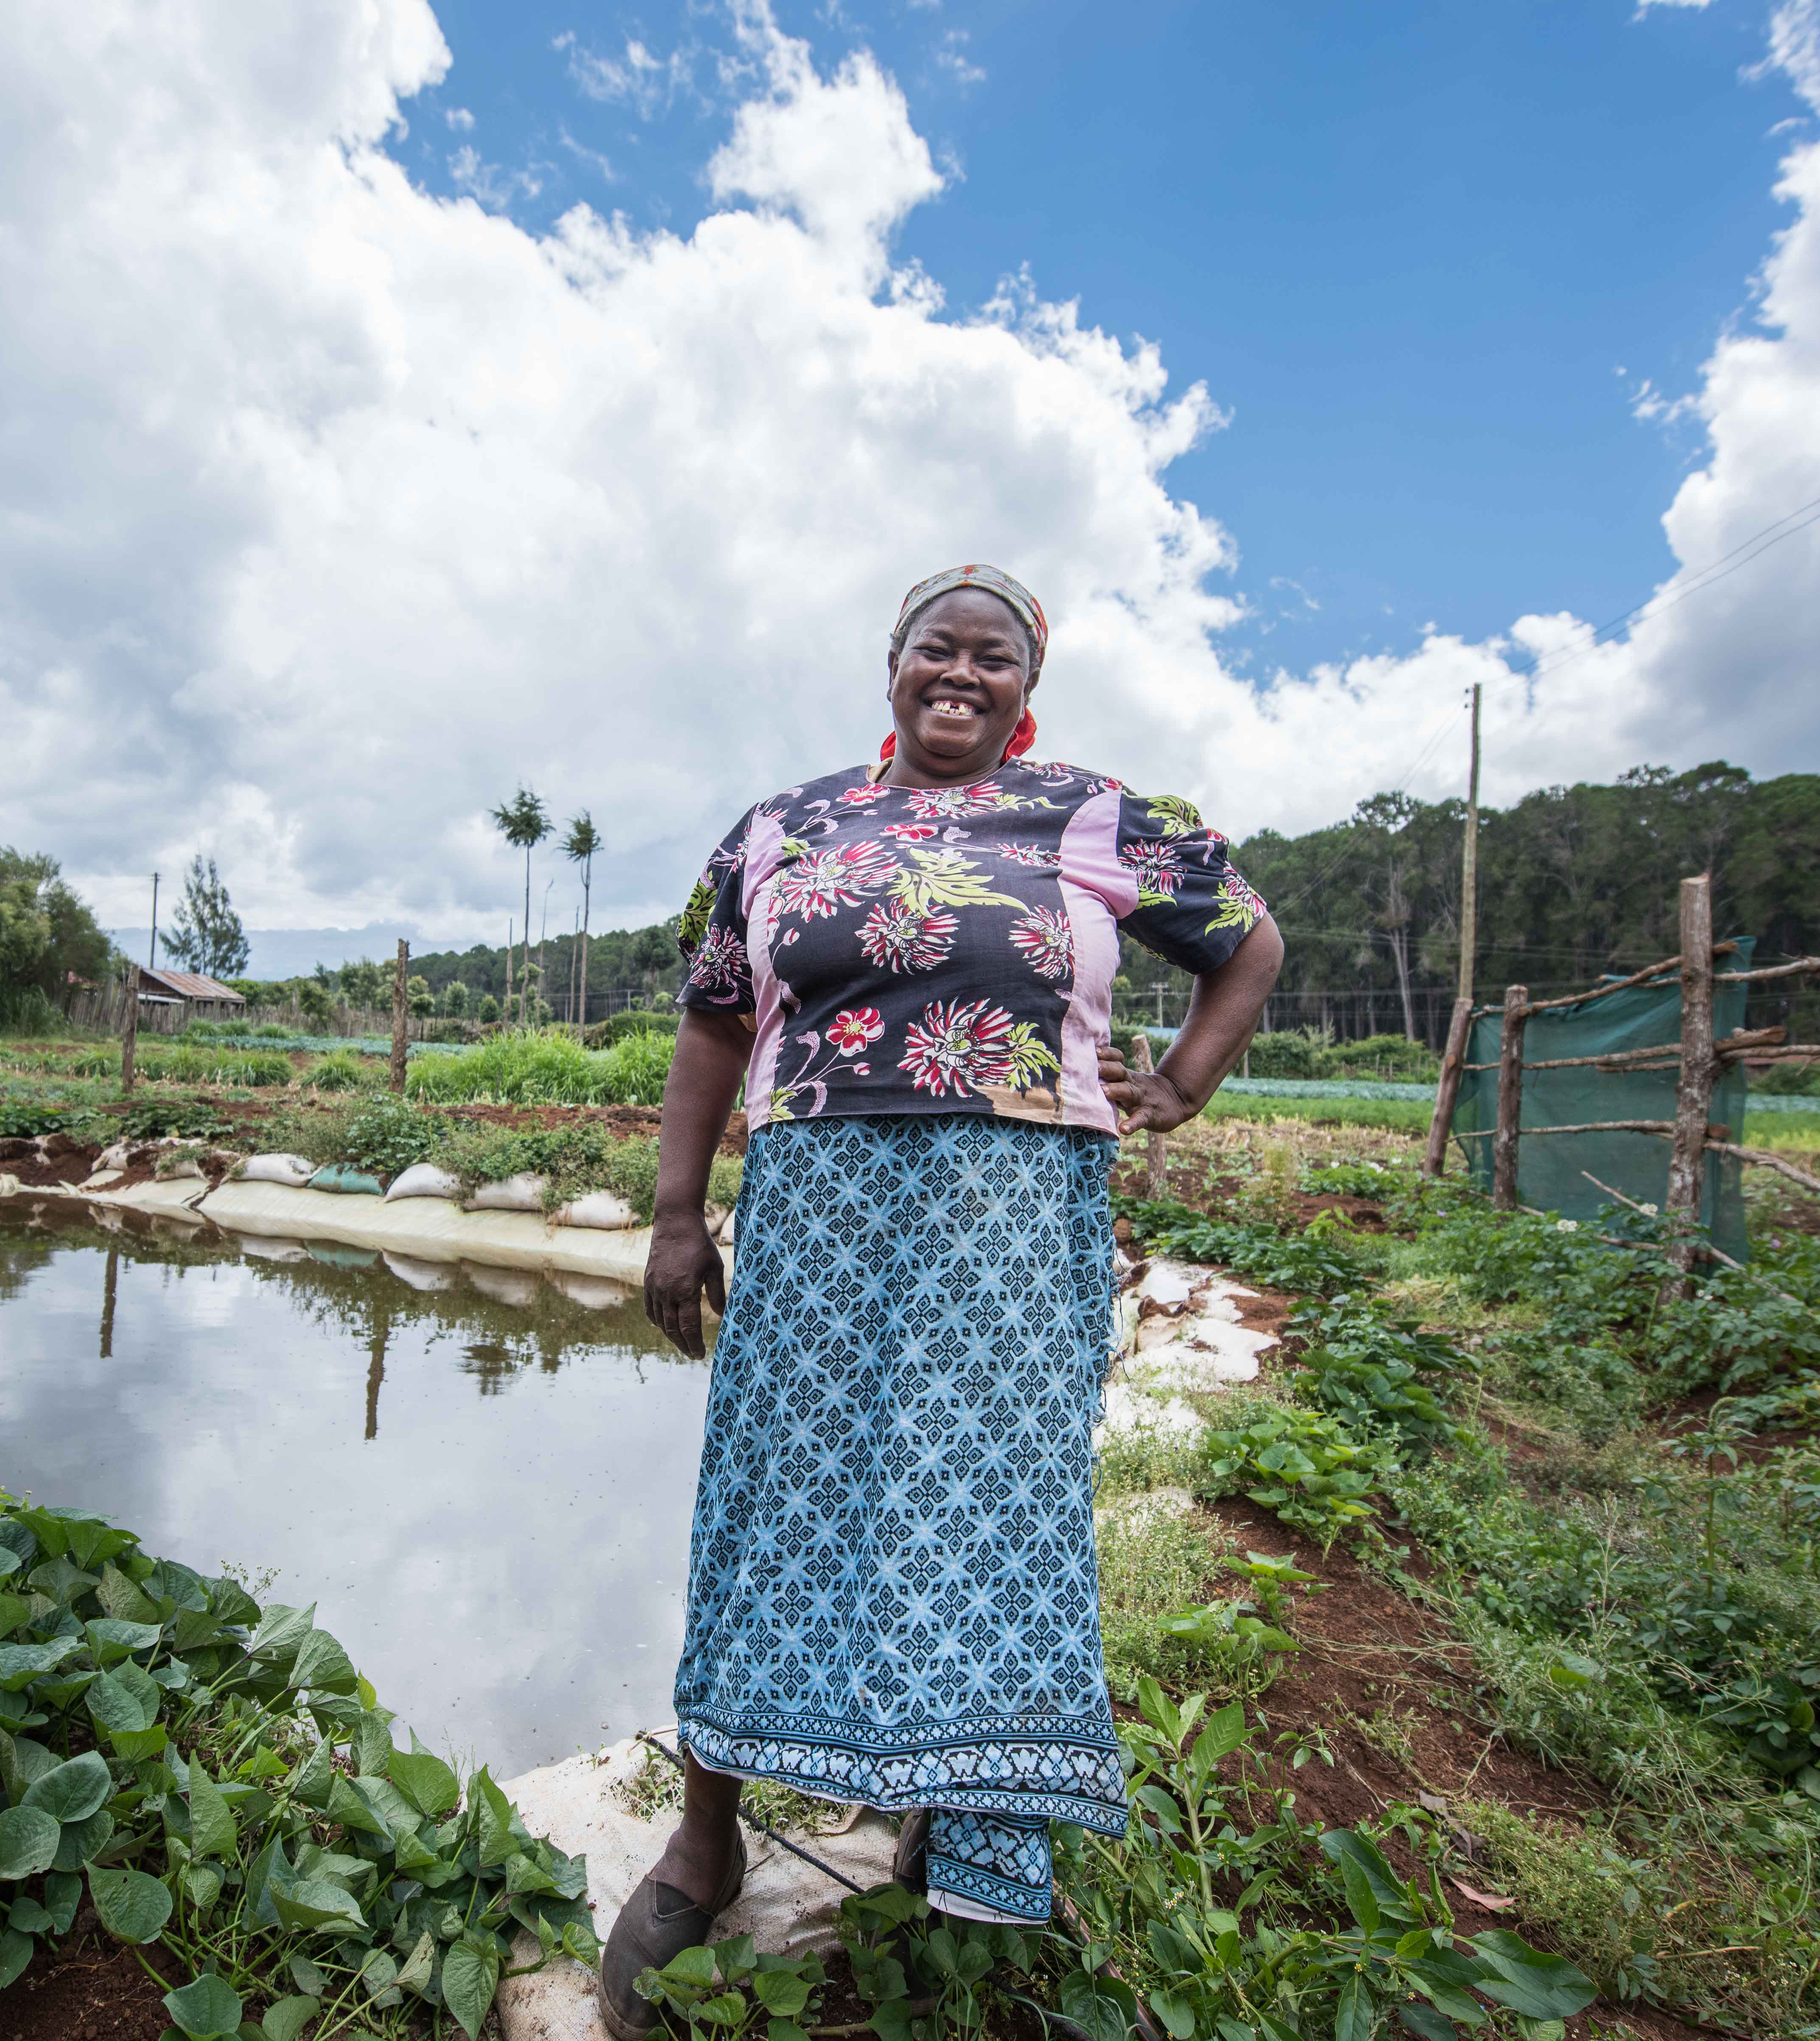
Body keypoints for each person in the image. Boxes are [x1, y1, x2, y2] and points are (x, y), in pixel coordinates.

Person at [599, 564, 1284, 2038]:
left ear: (1027, 692)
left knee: (983, 1509)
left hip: (1014, 1222)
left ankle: (947, 1828)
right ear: (893, 666)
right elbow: (716, 1017)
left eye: (995, 657)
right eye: (937, 648)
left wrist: (1178, 1081)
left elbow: (1249, 939)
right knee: (769, 1494)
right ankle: (704, 1840)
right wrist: (673, 1210)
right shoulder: (781, 826)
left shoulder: (1093, 816)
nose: (961, 673)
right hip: (815, 1216)